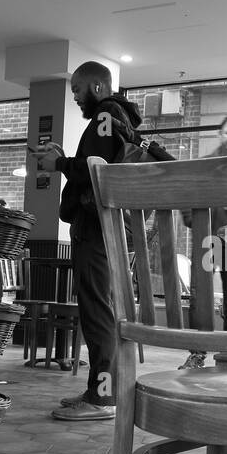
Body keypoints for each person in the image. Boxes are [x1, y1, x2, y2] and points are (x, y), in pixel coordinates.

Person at [32, 61, 144, 421]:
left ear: (96, 87)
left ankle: (102, 399)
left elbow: (99, 174)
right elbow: (99, 165)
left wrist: (60, 163)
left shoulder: (105, 116)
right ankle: (102, 389)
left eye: (78, 90)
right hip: (107, 228)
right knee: (101, 309)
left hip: (96, 229)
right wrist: (67, 160)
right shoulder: (117, 119)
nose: (76, 98)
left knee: (98, 312)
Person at [180, 113, 227, 369]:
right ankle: (197, 353)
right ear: (220, 135)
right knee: (200, 299)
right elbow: (186, 199)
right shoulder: (205, 164)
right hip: (206, 239)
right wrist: (196, 224)